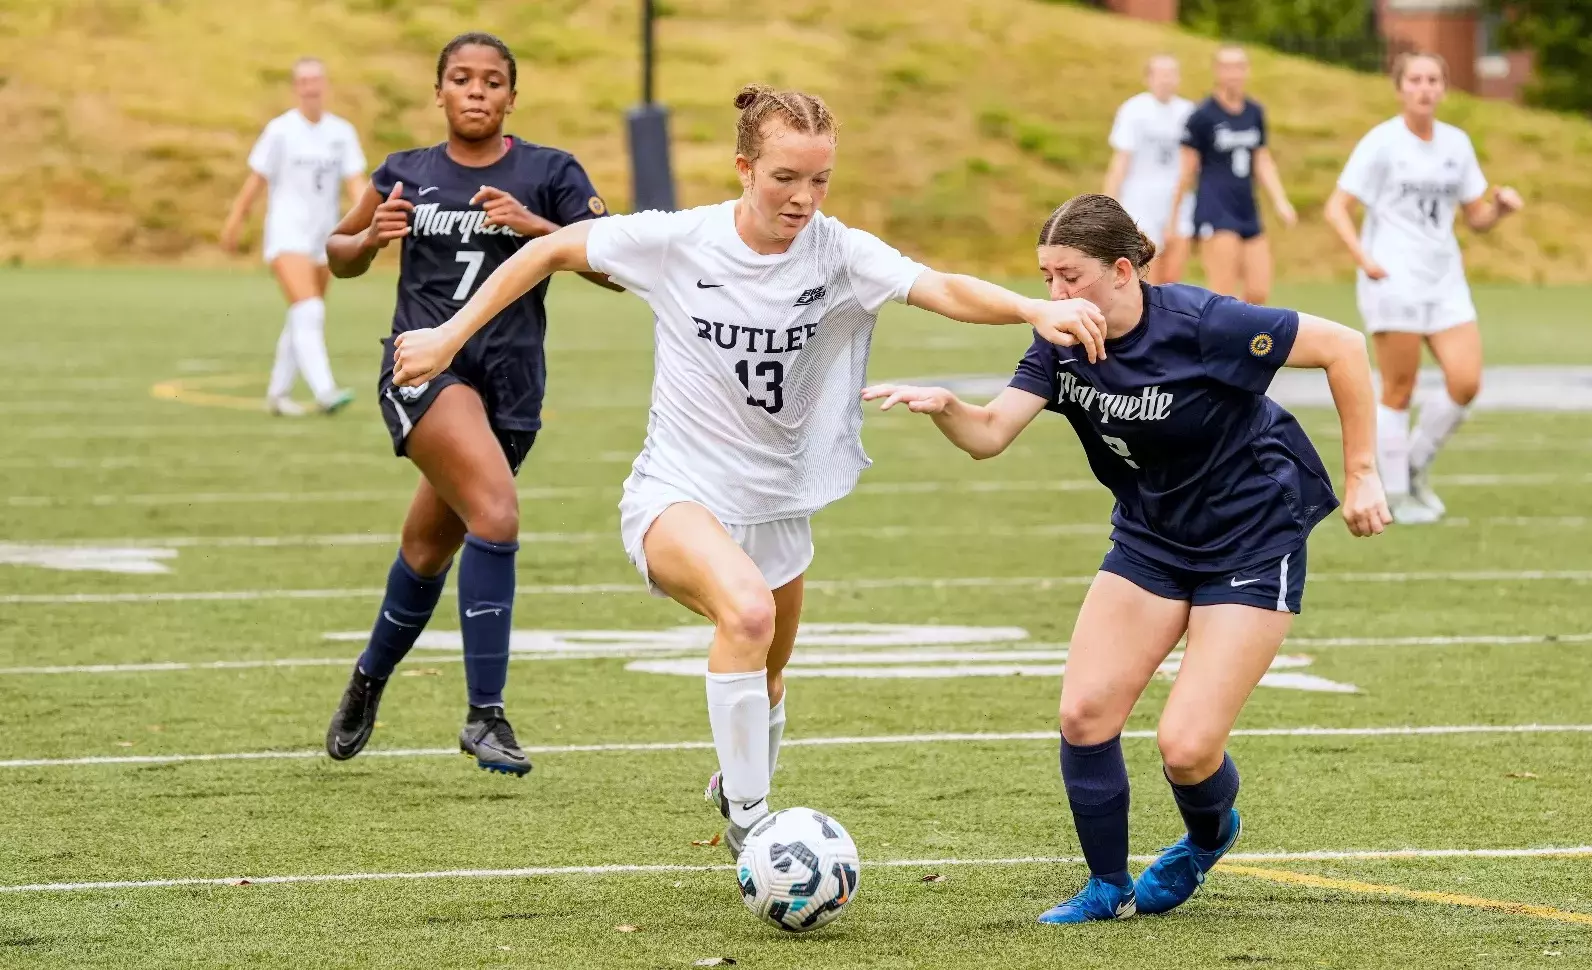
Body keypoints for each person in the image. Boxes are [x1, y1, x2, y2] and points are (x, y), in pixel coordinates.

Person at [391, 84, 1108, 851]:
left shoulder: (839, 252)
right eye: (784, 178)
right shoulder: (680, 240)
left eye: (820, 179)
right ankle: (752, 825)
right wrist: (447, 337)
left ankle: (739, 784)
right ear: (743, 168)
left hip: (777, 506)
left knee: (766, 675)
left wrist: (1031, 308)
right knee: (748, 616)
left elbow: (940, 287)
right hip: (677, 495)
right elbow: (547, 249)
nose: (803, 198)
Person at [862, 193, 1389, 924]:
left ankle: (1208, 836)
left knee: (1186, 749)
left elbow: (1344, 347)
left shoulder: (1205, 323)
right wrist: (947, 406)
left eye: (1069, 276)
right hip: (1151, 536)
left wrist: (1362, 472)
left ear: (1120, 271)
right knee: (1084, 715)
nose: (1054, 294)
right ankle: (1107, 887)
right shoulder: (1059, 342)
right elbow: (989, 435)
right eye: (1045, 277)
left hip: (1250, 536)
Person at [320, 32, 614, 776]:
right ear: (439, 92)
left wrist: (539, 231)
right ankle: (486, 714)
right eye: (460, 78)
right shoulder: (405, 172)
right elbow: (338, 254)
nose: (476, 91)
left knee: (427, 549)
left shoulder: (550, 172)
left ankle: (367, 678)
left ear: (511, 96)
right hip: (423, 367)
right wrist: (369, 239)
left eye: (491, 80)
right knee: (497, 515)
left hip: (511, 384)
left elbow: (617, 263)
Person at [1324, 52, 1523, 523]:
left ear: (1444, 88)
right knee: (1399, 388)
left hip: (1445, 280)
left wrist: (1499, 209)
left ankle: (1412, 466)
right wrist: (1364, 259)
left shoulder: (1456, 143)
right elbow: (1336, 208)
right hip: (1393, 279)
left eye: (1433, 79)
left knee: (1466, 382)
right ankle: (1395, 494)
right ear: (1400, 89)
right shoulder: (1382, 142)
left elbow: (1476, 218)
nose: (1424, 88)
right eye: (1415, 79)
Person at [220, 57, 367, 416]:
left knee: (302, 315)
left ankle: (278, 393)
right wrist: (235, 220)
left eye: (316, 80)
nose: (310, 87)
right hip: (287, 234)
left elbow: (356, 183)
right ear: (295, 87)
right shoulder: (280, 131)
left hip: (324, 238)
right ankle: (325, 391)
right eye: (303, 81)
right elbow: (256, 180)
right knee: (309, 309)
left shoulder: (341, 133)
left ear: (325, 85)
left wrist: (369, 219)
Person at [1167, 45, 1296, 305]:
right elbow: (1187, 170)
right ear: (1217, 71)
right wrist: (1174, 216)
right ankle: (1222, 328)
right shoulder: (1202, 116)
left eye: (1239, 67)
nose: (1233, 74)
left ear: (1246, 71)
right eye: (1227, 67)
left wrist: (1280, 201)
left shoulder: (1254, 112)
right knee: (1223, 292)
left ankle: (1239, 326)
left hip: (1246, 206)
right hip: (1215, 207)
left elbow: (1261, 160)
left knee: (1258, 291)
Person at [1103, 54, 1194, 285]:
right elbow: (1121, 160)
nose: (1166, 80)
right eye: (1160, 74)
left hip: (1178, 199)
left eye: (1171, 74)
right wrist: (1109, 204)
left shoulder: (1188, 112)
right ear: (1149, 78)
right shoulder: (1134, 109)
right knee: (1148, 271)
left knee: (1173, 274)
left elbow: (1193, 163)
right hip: (1141, 199)